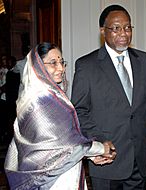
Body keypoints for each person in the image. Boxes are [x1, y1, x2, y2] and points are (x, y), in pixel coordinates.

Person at [71, 4, 146, 190]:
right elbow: (79, 111)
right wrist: (98, 142)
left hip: (139, 157)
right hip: (107, 158)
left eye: (127, 27)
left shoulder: (145, 61)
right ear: (103, 31)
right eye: (116, 28)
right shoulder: (87, 65)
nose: (123, 33)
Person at [4, 42, 116, 190]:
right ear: (38, 66)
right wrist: (101, 149)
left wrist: (89, 155)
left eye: (62, 62)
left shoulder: (50, 94)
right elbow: (63, 146)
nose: (61, 68)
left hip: (63, 169)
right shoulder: (39, 101)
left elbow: (61, 145)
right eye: (53, 63)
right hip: (51, 179)